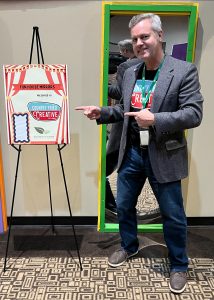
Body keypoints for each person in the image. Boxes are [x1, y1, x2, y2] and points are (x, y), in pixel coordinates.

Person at [76, 13, 203, 294]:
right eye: (134, 39)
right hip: (131, 152)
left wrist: (155, 119)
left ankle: (179, 264)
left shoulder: (183, 70)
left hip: (164, 154)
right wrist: (103, 112)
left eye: (144, 36)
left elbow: (194, 114)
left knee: (173, 214)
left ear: (159, 35)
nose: (139, 43)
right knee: (124, 206)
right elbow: (125, 109)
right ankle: (129, 246)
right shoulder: (131, 69)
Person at [106, 39, 141, 214]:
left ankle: (112, 206)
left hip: (124, 120)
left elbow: (118, 93)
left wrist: (103, 85)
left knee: (108, 163)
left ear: (126, 51)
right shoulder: (152, 64)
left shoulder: (125, 67)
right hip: (146, 125)